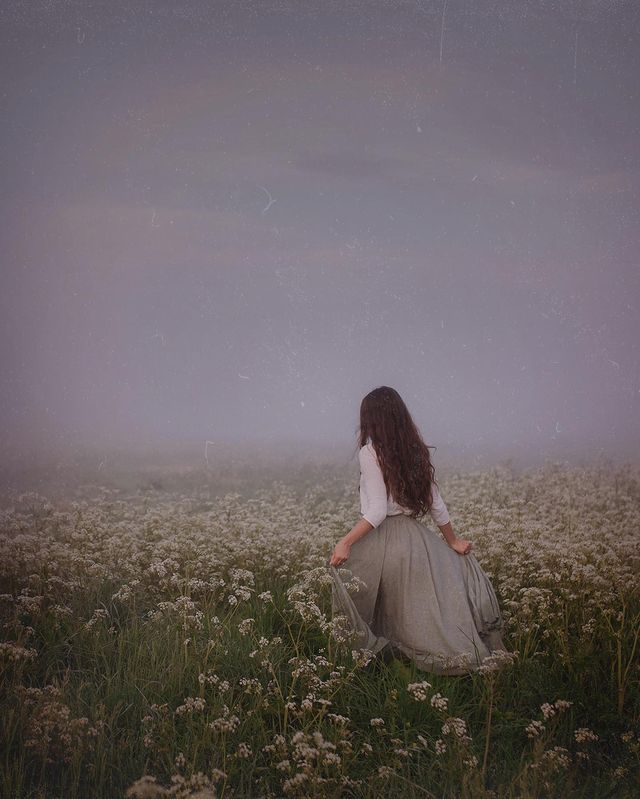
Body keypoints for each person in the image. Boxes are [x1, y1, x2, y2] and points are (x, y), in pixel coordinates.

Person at [327, 386, 507, 675]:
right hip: (415, 539)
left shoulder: (370, 452)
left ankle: (379, 661)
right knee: (415, 612)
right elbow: (436, 502)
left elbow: (377, 511)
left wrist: (345, 542)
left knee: (361, 594)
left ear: (373, 420)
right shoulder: (415, 450)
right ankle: (428, 658)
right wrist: (453, 541)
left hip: (383, 539)